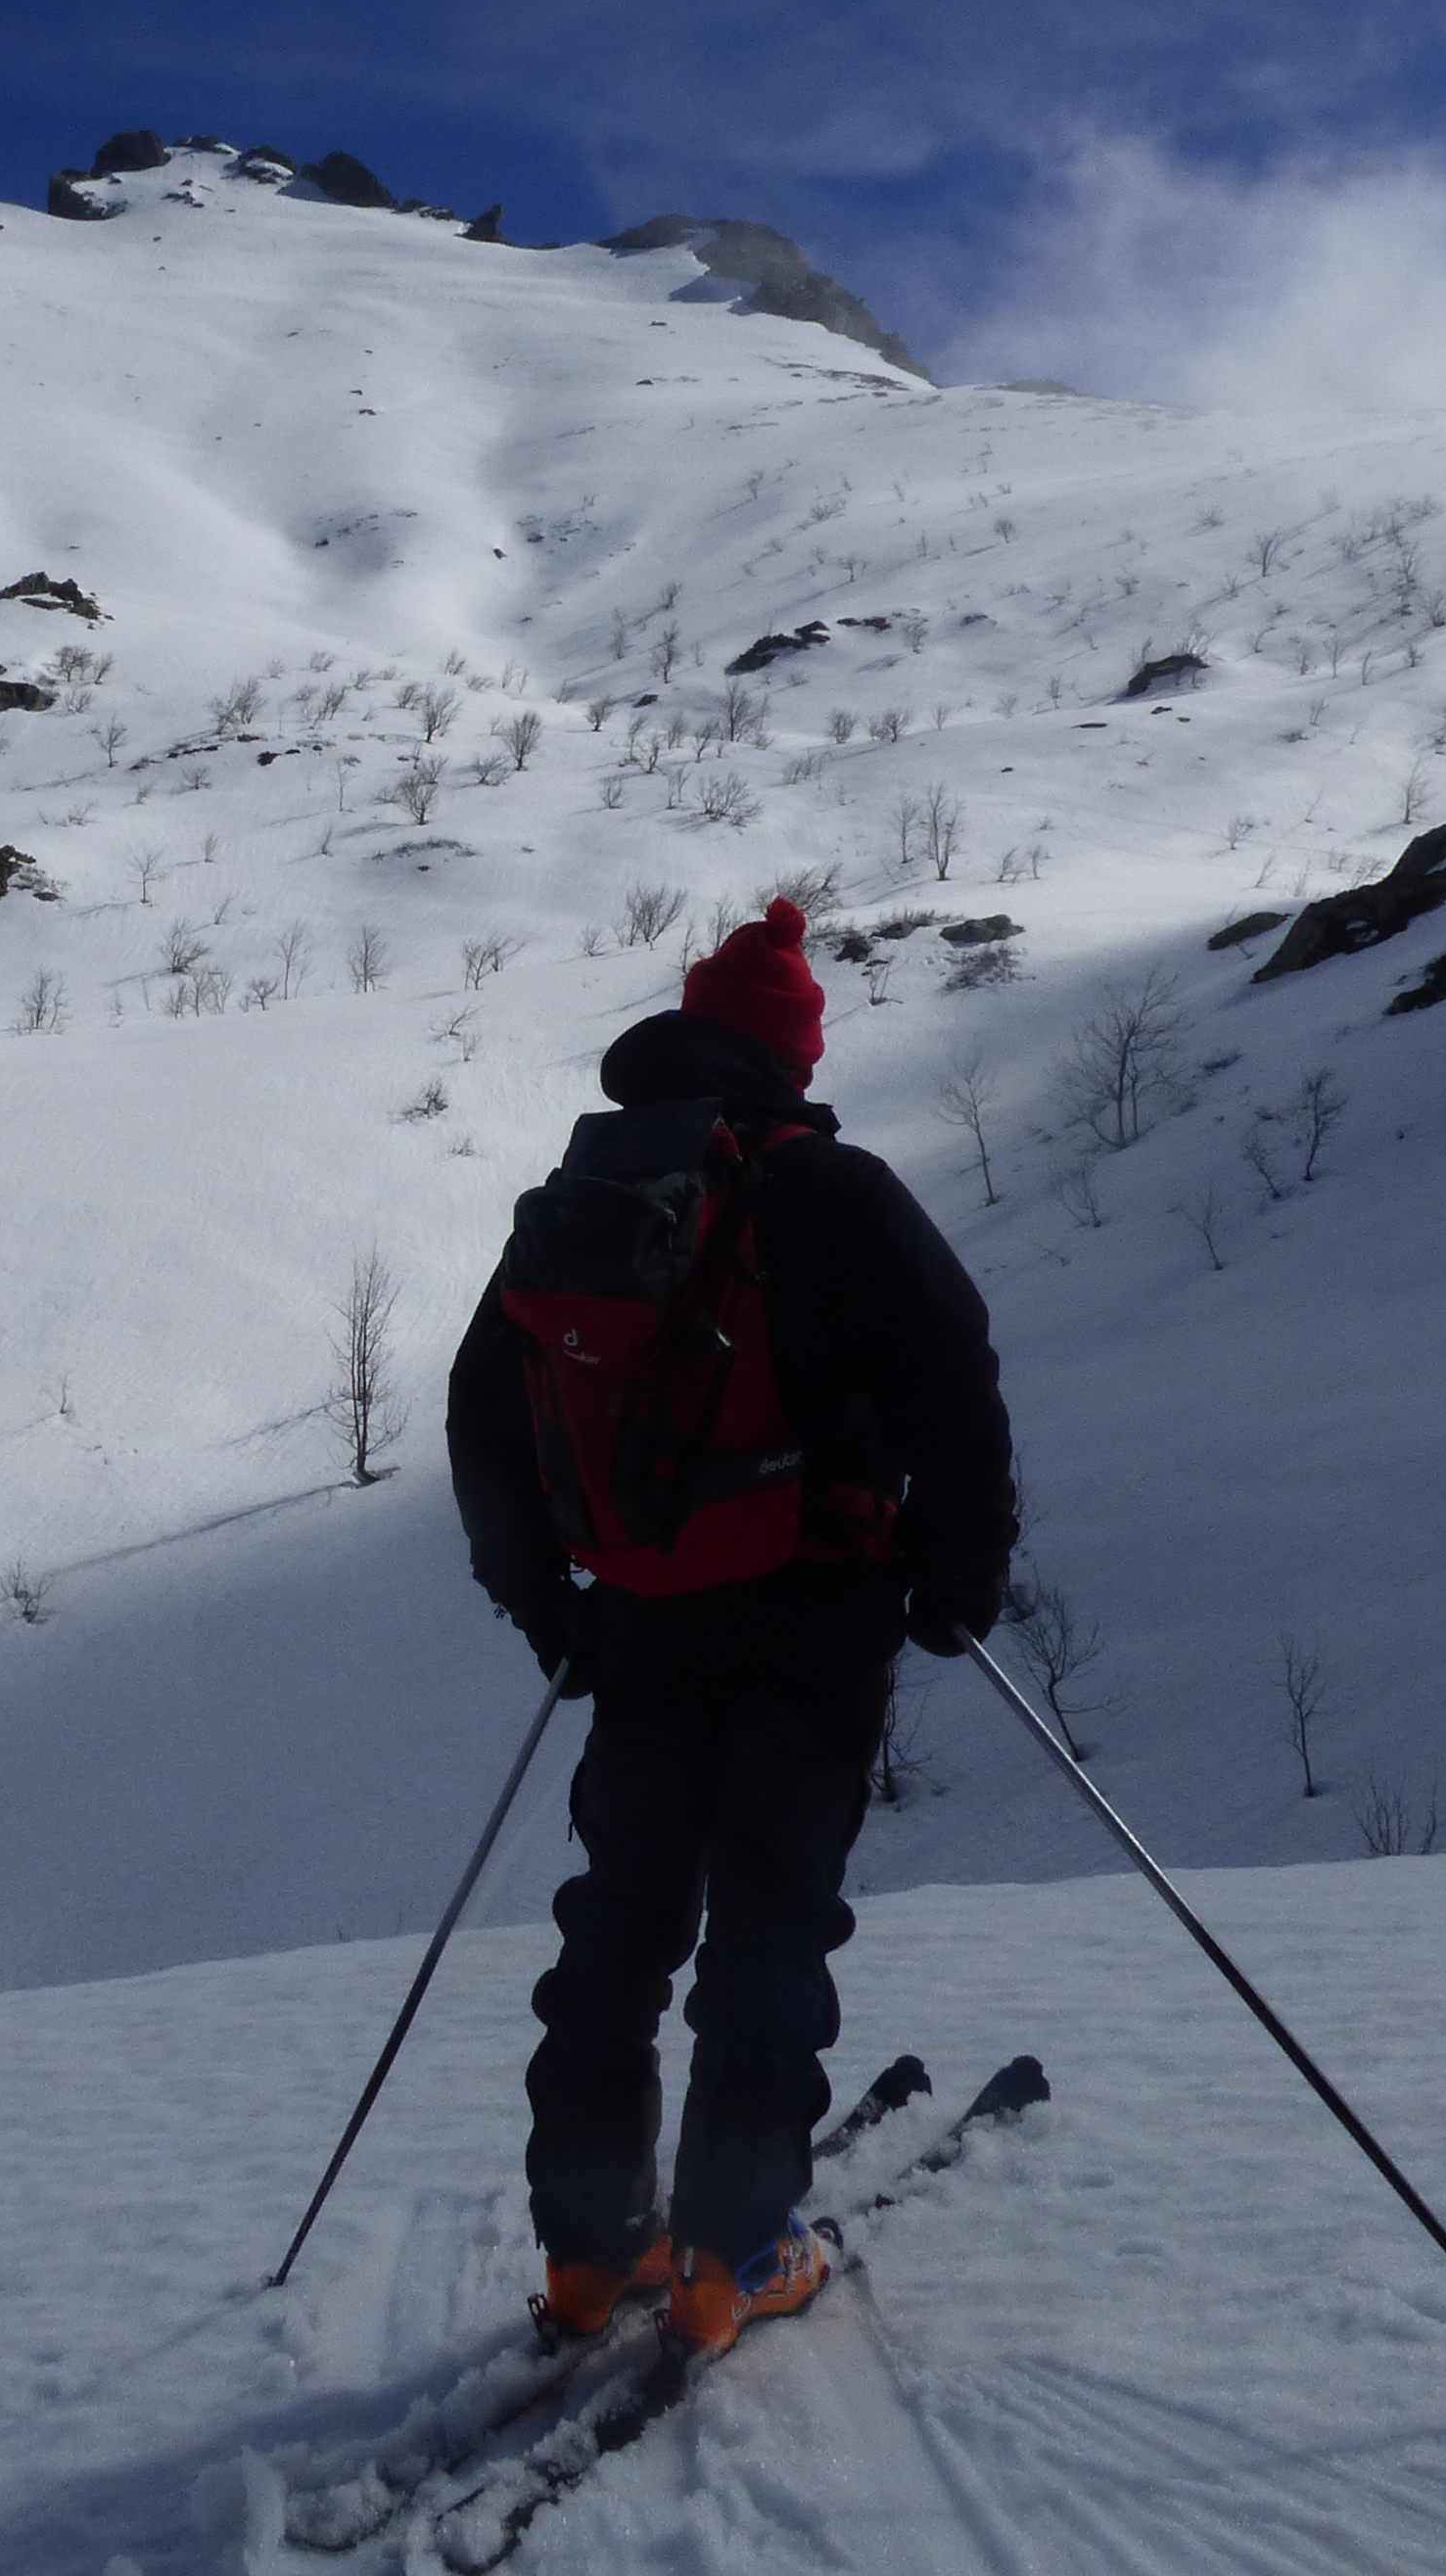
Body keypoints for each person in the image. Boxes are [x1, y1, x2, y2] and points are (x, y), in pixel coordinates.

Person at [443, 897, 1019, 2361]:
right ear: (792, 1054)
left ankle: (591, 2256)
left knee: (620, 1928)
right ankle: (734, 2255)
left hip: (639, 1625)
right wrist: (959, 1574)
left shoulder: (579, 1201)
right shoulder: (837, 1193)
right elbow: (955, 1376)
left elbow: (482, 1416)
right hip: (810, 1619)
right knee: (767, 1930)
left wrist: (547, 1611)